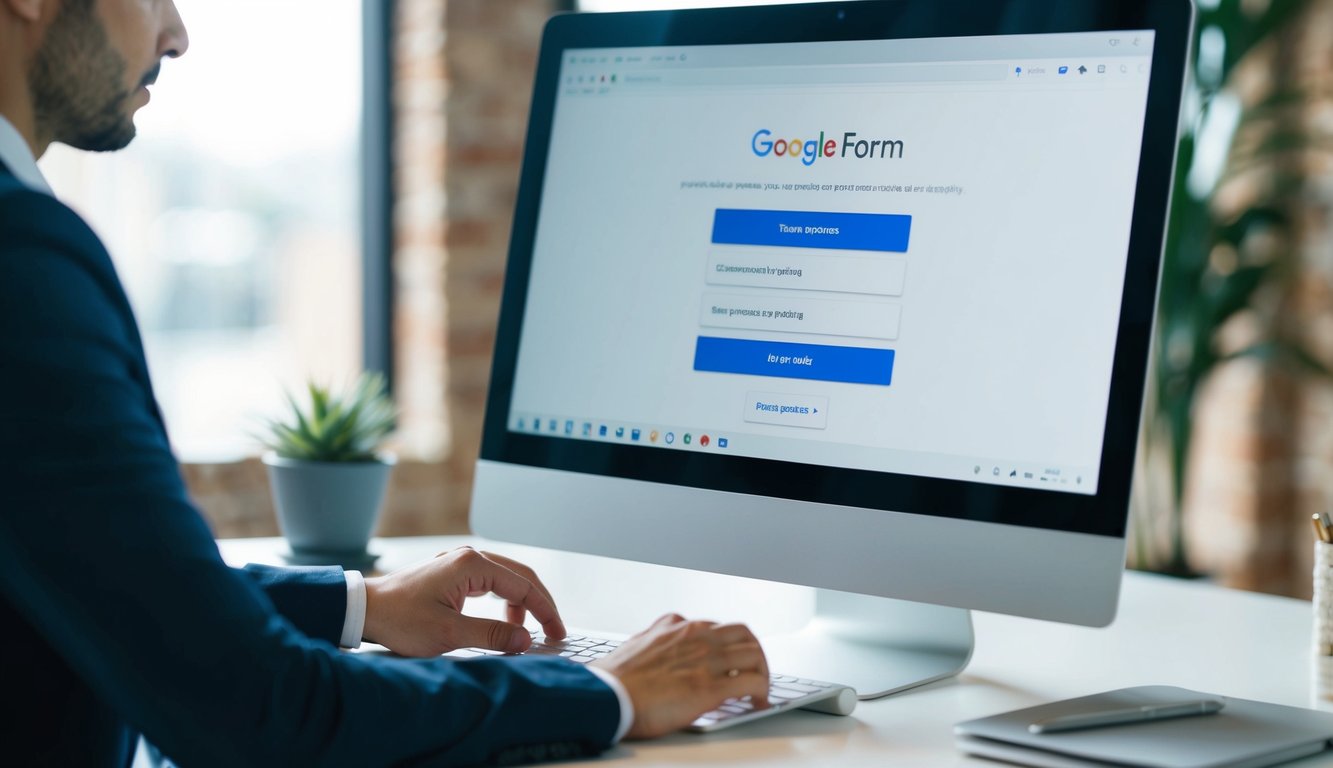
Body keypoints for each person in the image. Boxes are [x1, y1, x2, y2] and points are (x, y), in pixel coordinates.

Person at [0, 1, 770, 765]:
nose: (176, 33)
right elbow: (259, 707)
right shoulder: (22, 260)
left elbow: (122, 591)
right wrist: (608, 694)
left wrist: (361, 603)